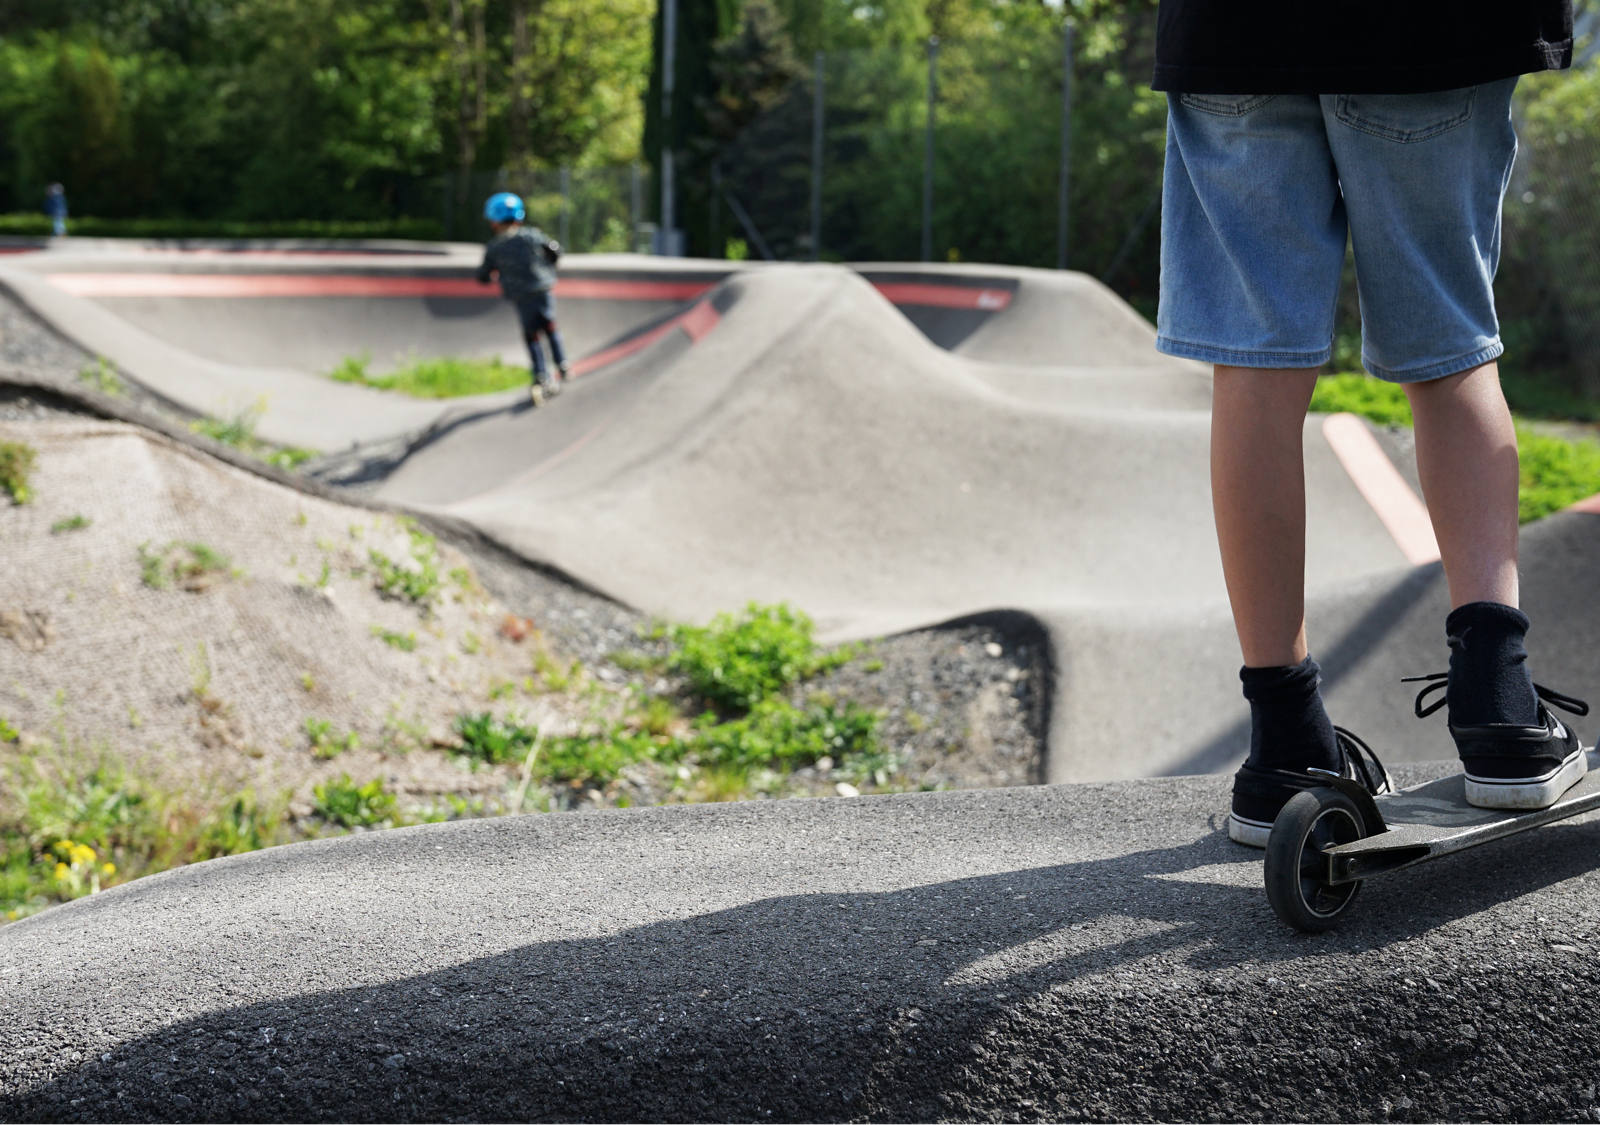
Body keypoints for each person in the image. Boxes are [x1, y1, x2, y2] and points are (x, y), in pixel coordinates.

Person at [1151, 2, 1590, 846]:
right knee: (1451, 347)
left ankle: (1284, 740)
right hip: (1433, 37)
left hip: (1235, 37)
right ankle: (1500, 710)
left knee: (1253, 365)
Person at [476, 191, 569, 406]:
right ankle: (562, 363)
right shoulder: (532, 235)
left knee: (531, 335)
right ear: (519, 217)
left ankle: (540, 374)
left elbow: (482, 275)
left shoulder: (494, 247)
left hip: (521, 295)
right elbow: (555, 251)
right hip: (542, 289)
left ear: (493, 221)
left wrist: (491, 277)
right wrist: (549, 265)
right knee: (550, 325)